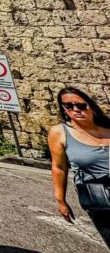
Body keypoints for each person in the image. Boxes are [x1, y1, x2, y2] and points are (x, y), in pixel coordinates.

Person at [48, 87, 110, 248]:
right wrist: (61, 201)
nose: (75, 110)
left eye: (80, 106)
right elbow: (59, 167)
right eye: (68, 106)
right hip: (99, 196)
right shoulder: (59, 132)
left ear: (92, 106)